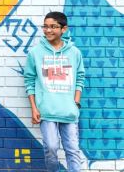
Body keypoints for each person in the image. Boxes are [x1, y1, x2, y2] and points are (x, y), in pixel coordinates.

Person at [24, 11, 85, 172]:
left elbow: (80, 77)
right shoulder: (35, 53)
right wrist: (34, 108)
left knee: (72, 150)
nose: (48, 30)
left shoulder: (74, 53)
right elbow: (29, 80)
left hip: (69, 111)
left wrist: (76, 102)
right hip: (46, 111)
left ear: (63, 29)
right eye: (45, 26)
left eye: (53, 27)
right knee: (51, 147)